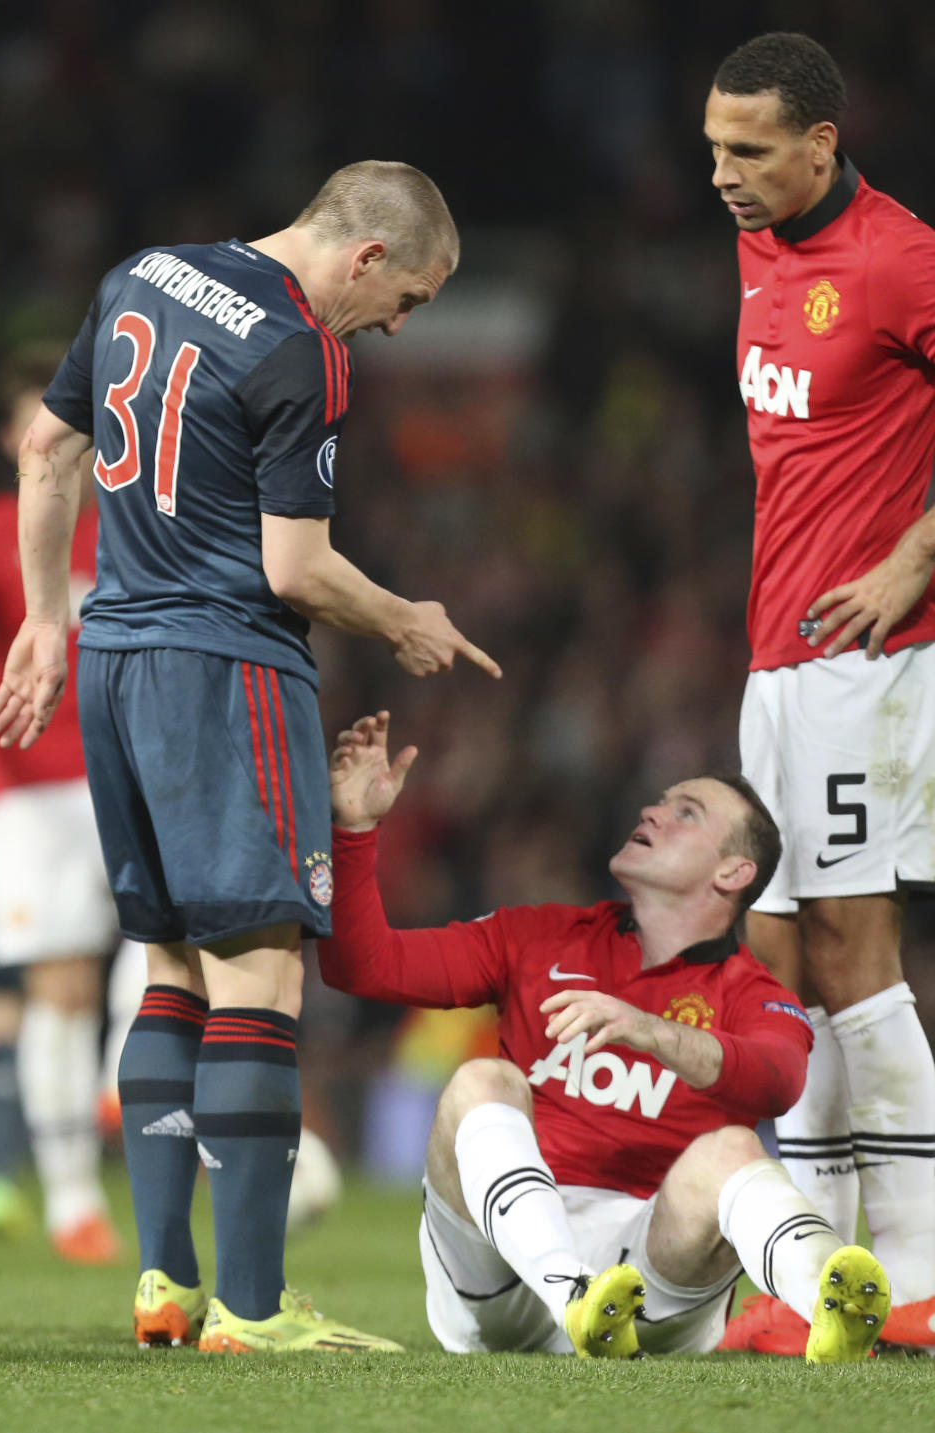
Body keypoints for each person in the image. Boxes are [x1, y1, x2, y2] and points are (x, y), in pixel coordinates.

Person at [0, 161, 501, 1355]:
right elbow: (295, 569)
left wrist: (44, 616)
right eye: (411, 299)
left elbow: (40, 446)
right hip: (224, 669)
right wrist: (404, 615)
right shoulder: (304, 350)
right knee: (261, 973)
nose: (401, 325)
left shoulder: (143, 275)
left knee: (171, 967)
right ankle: (256, 1310)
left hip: (112, 659)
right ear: (367, 257)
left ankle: (164, 1284)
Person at [317, 709, 889, 1364]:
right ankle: (572, 1290)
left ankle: (832, 1303)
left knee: (733, 1147)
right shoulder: (538, 936)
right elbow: (360, 965)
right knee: (482, 1081)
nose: (653, 810)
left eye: (687, 812)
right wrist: (354, 830)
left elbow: (780, 1079)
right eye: (661, 801)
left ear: (732, 872)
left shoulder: (753, 994)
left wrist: (649, 1029)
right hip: (500, 1278)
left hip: (650, 1277)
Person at [704, 31, 935, 1354]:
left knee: (855, 950)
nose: (724, 174)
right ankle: (830, 1280)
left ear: (822, 144)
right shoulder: (763, 248)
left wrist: (912, 553)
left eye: (750, 151)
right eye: (713, 149)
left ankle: (914, 1271)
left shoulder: (902, 258)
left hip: (871, 655)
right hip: (775, 662)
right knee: (777, 961)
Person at [0, 343, 129, 1261]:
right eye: (41, 420)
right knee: (57, 984)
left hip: (126, 775)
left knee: (168, 934)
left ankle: (117, 1081)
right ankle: (74, 1198)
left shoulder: (129, 527)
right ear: (9, 435)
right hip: (23, 789)